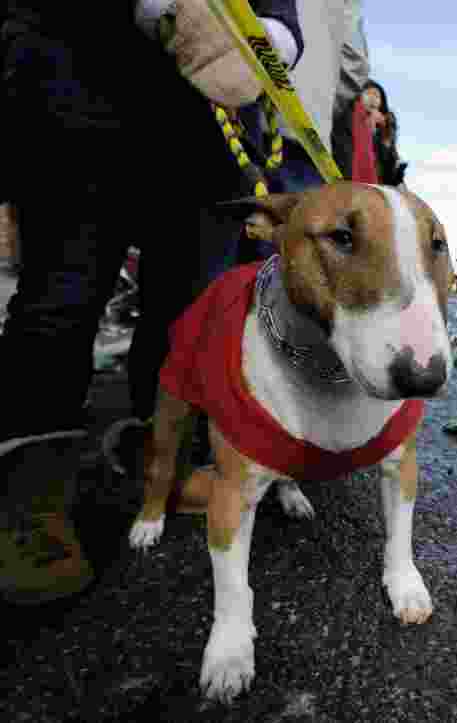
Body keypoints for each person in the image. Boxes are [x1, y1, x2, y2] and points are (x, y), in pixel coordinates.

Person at [0, 0, 306, 605]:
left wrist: (267, 45)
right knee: (63, 295)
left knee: (181, 313)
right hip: (77, 81)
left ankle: (152, 462)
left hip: (198, 133)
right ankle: (26, 501)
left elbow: (279, 16)